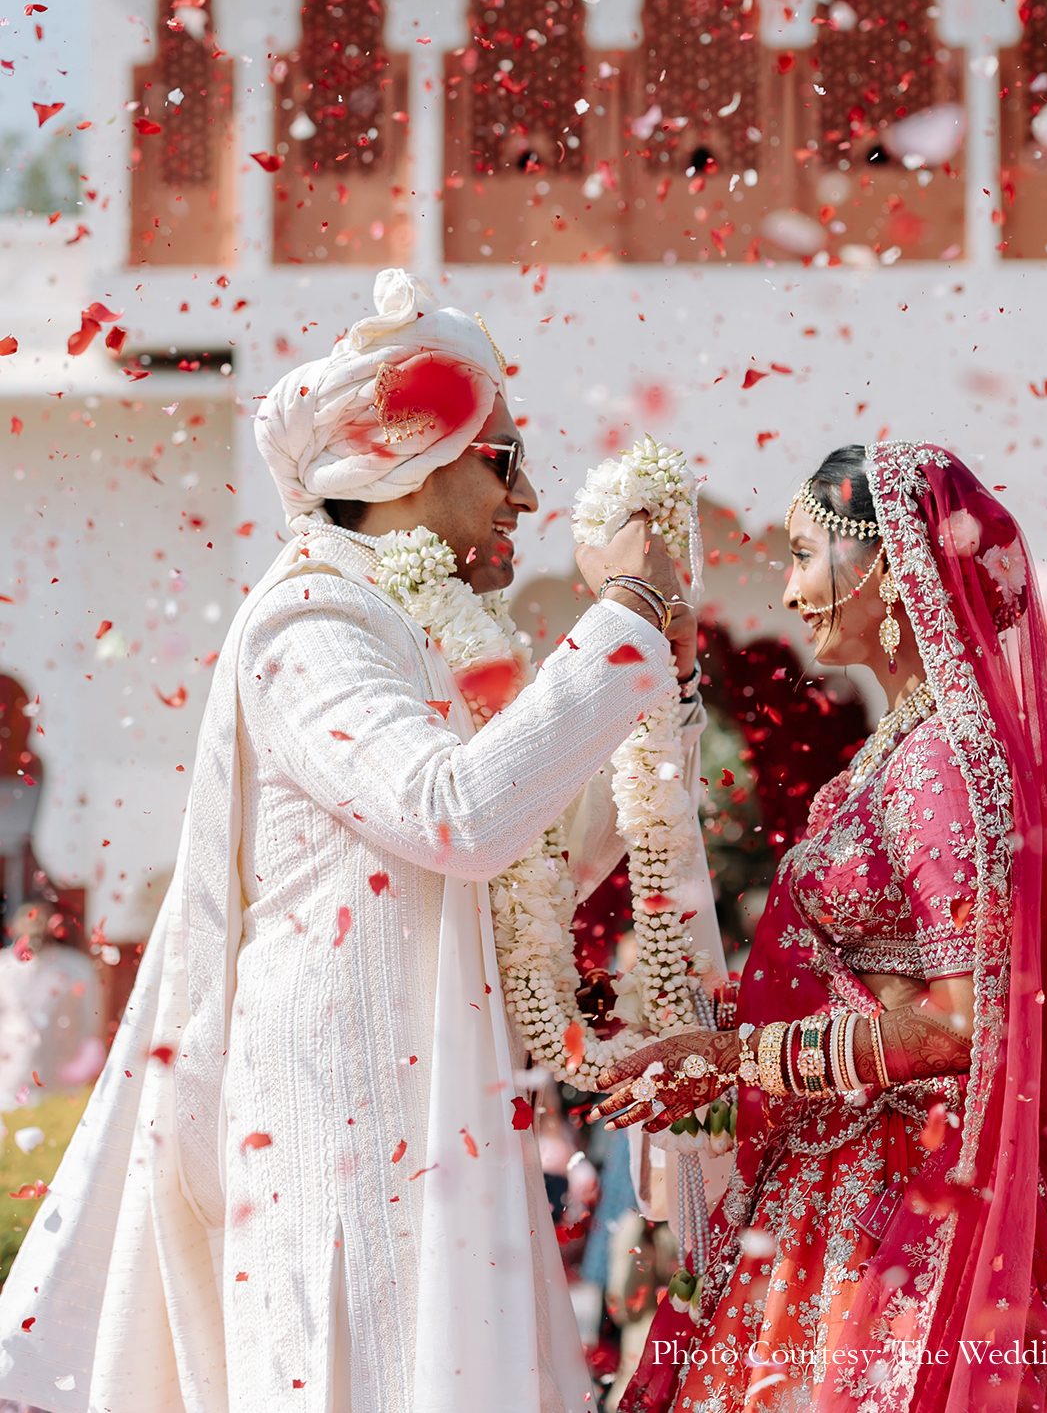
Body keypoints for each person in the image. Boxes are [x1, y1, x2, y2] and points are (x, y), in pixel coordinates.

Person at [0, 270, 702, 1413]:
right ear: (414, 466)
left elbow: (528, 857)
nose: (526, 498)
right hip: (344, 1136)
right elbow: (457, 815)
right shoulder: (311, 621)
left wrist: (653, 687)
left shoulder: (413, 624)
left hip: (441, 1120)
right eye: (504, 459)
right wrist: (623, 618)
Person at [593, 441, 1047, 1413]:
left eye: (802, 554)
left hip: (893, 1212)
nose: (786, 590)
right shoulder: (903, 750)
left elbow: (958, 1023)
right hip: (840, 1184)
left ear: (884, 563)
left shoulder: (944, 765)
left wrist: (740, 1059)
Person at [0, 899, 104, 1109]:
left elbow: (91, 1019)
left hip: (58, 1077)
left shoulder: (75, 966)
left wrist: (80, 1063)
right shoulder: (3, 966)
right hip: (9, 1077)